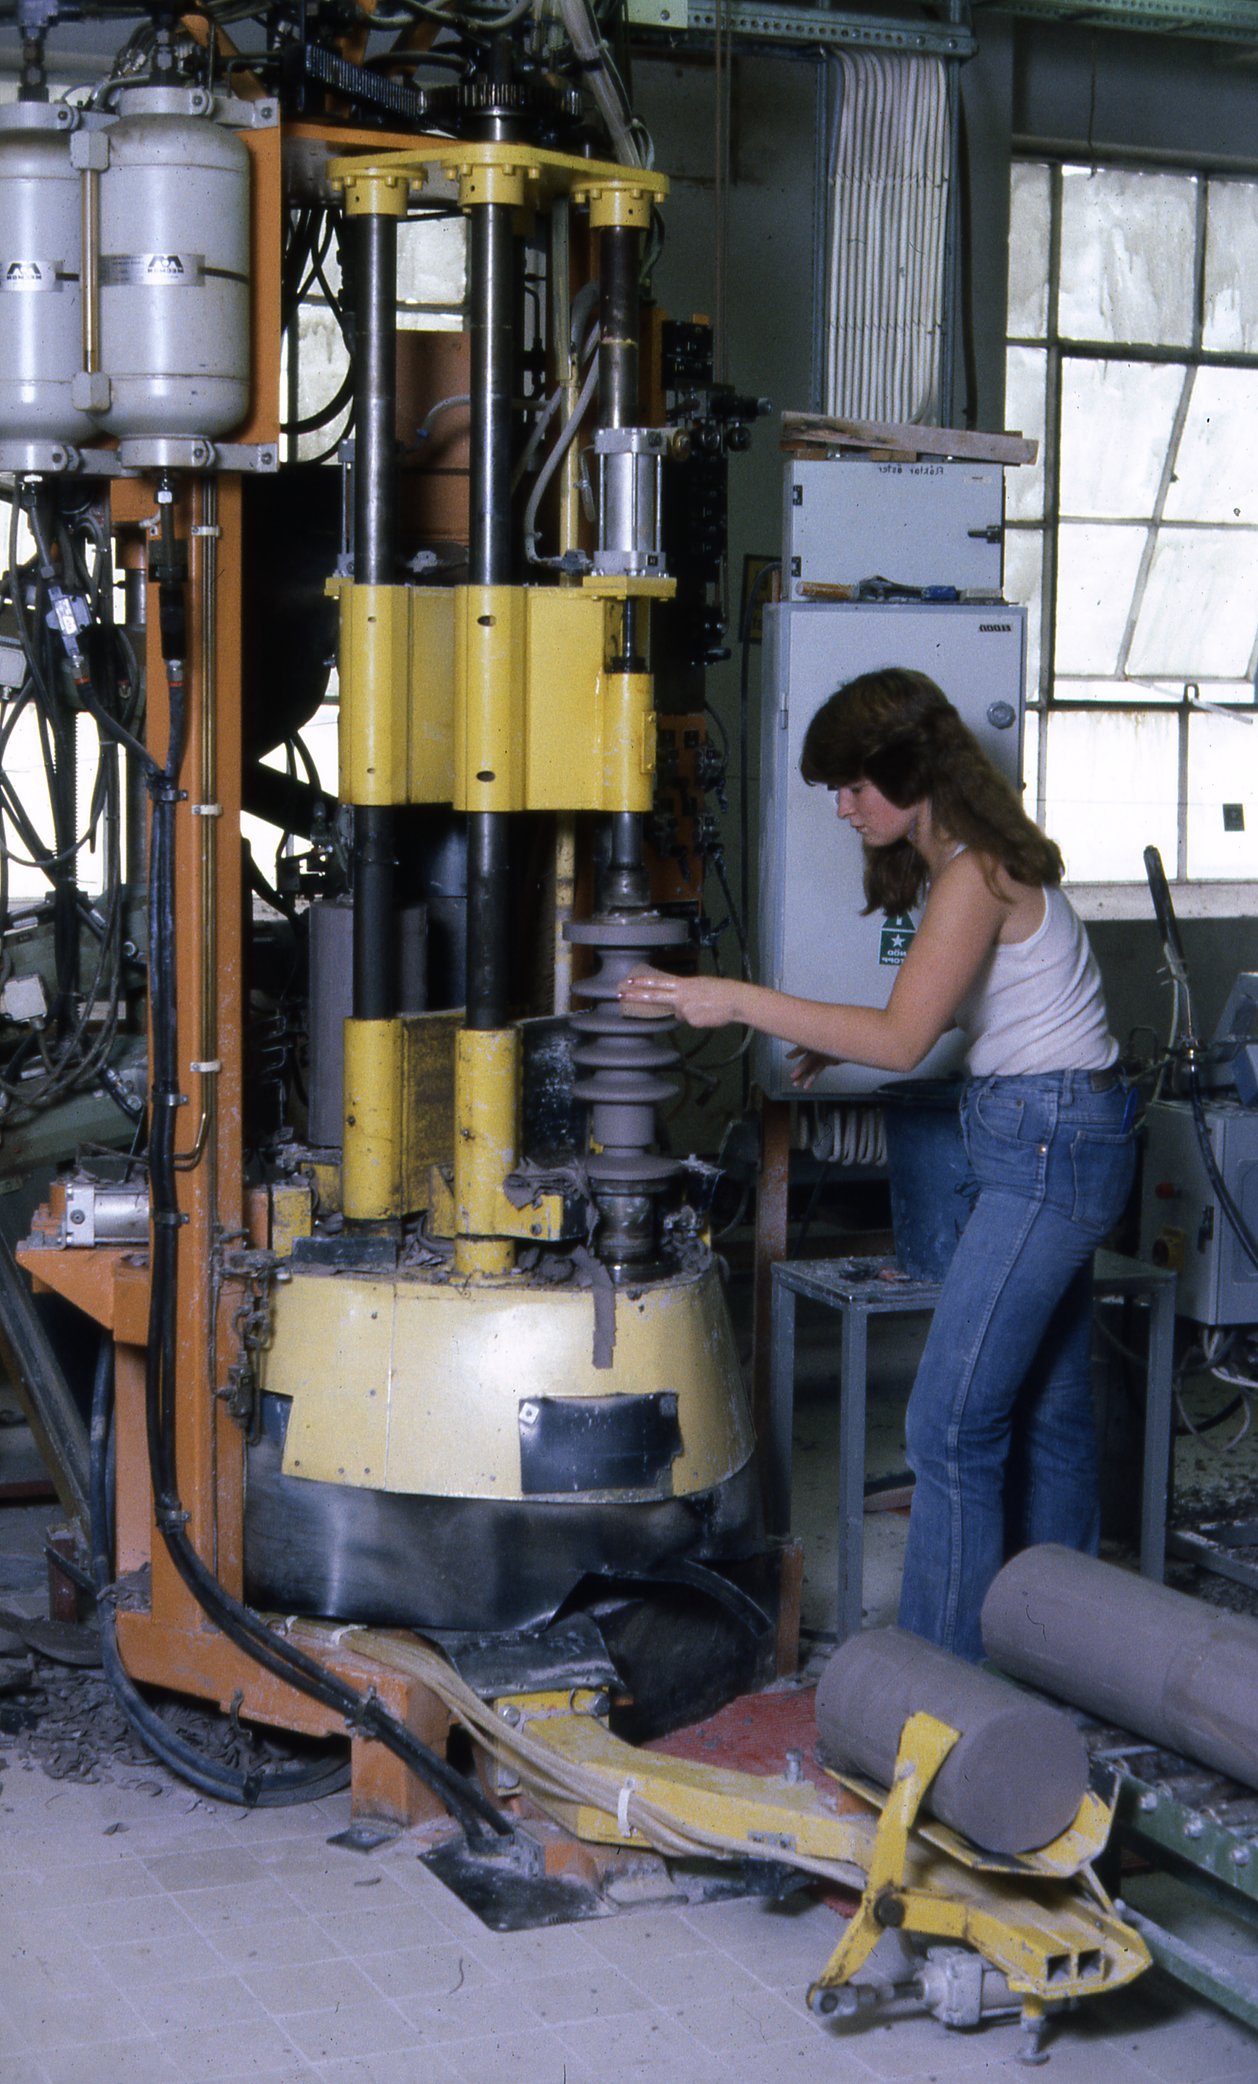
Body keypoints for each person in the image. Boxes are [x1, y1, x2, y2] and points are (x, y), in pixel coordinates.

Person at [619, 666, 1136, 1661]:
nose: (845, 807)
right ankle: (1067, 1650)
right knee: (1055, 1406)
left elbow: (903, 1039)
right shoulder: (976, 867)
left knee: (948, 1421)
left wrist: (735, 998)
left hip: (1045, 1137)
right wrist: (835, 1038)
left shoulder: (974, 872)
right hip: (1056, 1124)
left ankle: (934, 1680)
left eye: (855, 785)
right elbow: (936, 1018)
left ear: (909, 771)